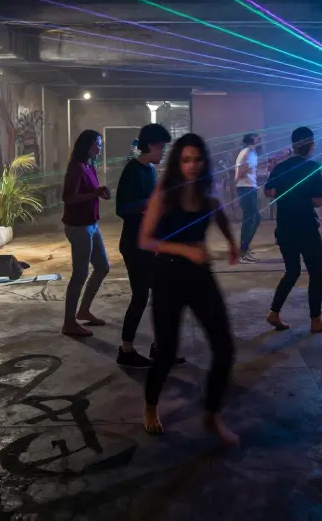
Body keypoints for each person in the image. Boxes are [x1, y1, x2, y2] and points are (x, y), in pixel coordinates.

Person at [139, 133, 241, 445]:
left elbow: (219, 213)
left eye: (197, 159)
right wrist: (185, 250)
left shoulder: (206, 192)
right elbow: (145, 240)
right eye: (186, 160)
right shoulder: (164, 194)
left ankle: (212, 414)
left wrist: (231, 241)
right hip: (168, 276)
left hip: (200, 275)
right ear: (177, 162)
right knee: (167, 352)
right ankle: (150, 405)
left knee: (224, 347)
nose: (192, 165)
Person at [114, 123, 181, 368]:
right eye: (162, 147)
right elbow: (122, 209)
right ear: (151, 146)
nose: (163, 153)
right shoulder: (132, 170)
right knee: (141, 296)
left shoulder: (150, 170)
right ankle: (126, 350)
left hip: (150, 243)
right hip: (134, 245)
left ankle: (159, 347)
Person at [264, 126, 322, 333]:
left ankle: (274, 313)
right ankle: (316, 320)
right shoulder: (312, 167)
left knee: (292, 271)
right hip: (306, 228)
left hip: (284, 227)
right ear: (311, 145)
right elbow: (318, 200)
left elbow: (269, 192)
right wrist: (320, 200)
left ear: (293, 145)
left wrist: (287, 193)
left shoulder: (280, 167)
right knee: (316, 272)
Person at [61, 129, 111, 337]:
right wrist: (93, 194)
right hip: (79, 226)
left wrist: (99, 193)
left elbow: (90, 192)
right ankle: (69, 323)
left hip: (91, 224)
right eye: (97, 144)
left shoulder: (90, 165)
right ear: (87, 146)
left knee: (102, 267)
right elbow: (68, 197)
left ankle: (83, 310)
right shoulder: (76, 167)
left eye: (100, 144)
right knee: (80, 274)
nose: (100, 147)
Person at [234, 133, 262, 262]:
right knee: (251, 219)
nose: (259, 140)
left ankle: (244, 249)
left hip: (247, 187)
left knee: (251, 219)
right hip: (247, 188)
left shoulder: (247, 152)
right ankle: (243, 251)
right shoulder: (249, 152)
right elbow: (243, 169)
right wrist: (238, 180)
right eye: (257, 138)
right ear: (252, 140)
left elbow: (247, 168)